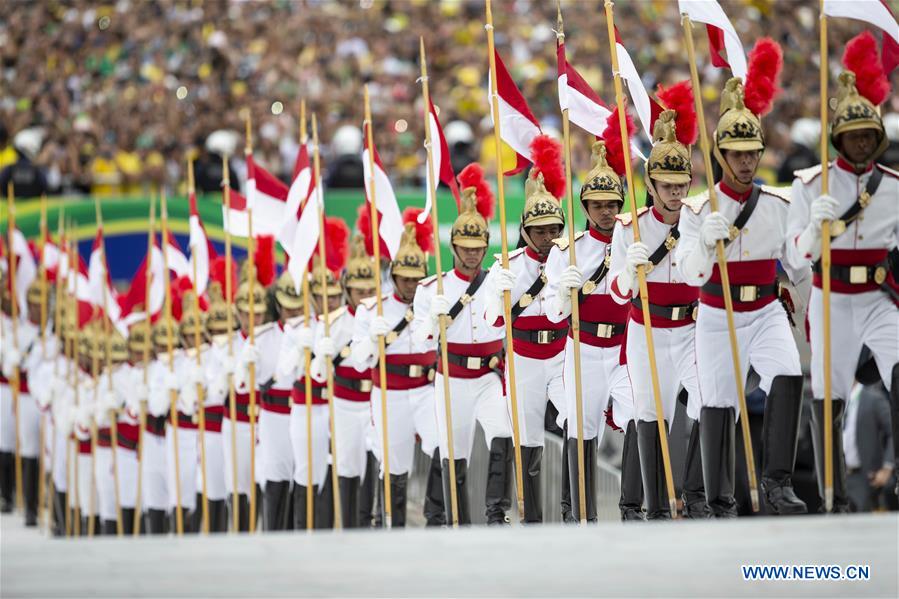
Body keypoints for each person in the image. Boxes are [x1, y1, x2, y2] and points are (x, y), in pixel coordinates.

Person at [675, 39, 809, 518]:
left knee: (789, 375)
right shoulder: (698, 208)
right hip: (717, 312)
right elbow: (691, 274)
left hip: (766, 308)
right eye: (737, 153)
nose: (748, 161)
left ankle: (777, 484)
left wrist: (809, 248)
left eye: (753, 152)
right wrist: (704, 243)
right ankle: (715, 498)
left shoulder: (778, 204)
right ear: (721, 155)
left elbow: (798, 270)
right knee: (719, 405)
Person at [786, 31, 899, 511]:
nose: (860, 141)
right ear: (836, 138)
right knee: (828, 394)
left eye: (867, 135)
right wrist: (814, 228)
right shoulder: (810, 185)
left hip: (877, 297)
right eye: (852, 135)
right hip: (830, 297)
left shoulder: (893, 186)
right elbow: (794, 258)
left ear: (877, 137)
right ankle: (832, 492)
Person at [609, 89, 707, 520]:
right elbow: (615, 292)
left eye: (681, 184)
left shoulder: (701, 217)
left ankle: (700, 496)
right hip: (646, 327)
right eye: (666, 185)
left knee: (711, 400)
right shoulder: (630, 226)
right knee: (651, 414)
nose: (674, 192)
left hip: (692, 328)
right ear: (650, 185)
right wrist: (629, 272)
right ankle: (653, 504)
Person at [412, 164, 513, 525]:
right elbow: (419, 339)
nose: (473, 254)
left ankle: (496, 512)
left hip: (488, 376)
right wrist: (429, 319)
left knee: (503, 434)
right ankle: (454, 518)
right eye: (465, 247)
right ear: (453, 246)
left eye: (478, 247)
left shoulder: (497, 278)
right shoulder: (431, 288)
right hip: (451, 377)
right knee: (453, 451)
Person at [544, 131, 635, 524]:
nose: (604, 212)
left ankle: (634, 507)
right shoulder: (567, 250)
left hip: (624, 349)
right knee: (580, 429)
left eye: (611, 205)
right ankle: (578, 512)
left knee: (639, 416)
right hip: (581, 347)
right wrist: (565, 295)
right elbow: (550, 314)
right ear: (585, 206)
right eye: (596, 205)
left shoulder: (636, 240)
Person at [484, 136, 567, 523]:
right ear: (526, 231)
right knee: (529, 438)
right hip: (524, 358)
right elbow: (491, 320)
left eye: (554, 229)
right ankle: (533, 518)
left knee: (578, 423)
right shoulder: (509, 264)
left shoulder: (572, 256)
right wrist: (500, 294)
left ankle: (577, 511)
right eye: (540, 231)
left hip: (565, 352)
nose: (549, 237)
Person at [353, 212, 444, 527]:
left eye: (416, 278)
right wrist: (373, 339)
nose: (411, 284)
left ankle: (437, 517)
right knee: (394, 463)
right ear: (393, 277)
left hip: (425, 388)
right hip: (389, 392)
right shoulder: (371, 308)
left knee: (442, 446)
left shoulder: (434, 300)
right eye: (404, 278)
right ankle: (393, 524)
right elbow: (358, 358)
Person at [311, 233, 376, 528]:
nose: (364, 296)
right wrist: (320, 356)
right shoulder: (334, 323)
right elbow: (318, 374)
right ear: (347, 290)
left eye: (369, 290)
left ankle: (368, 524)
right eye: (358, 290)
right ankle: (349, 525)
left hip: (374, 399)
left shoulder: (381, 316)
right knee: (347, 467)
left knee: (375, 464)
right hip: (345, 403)